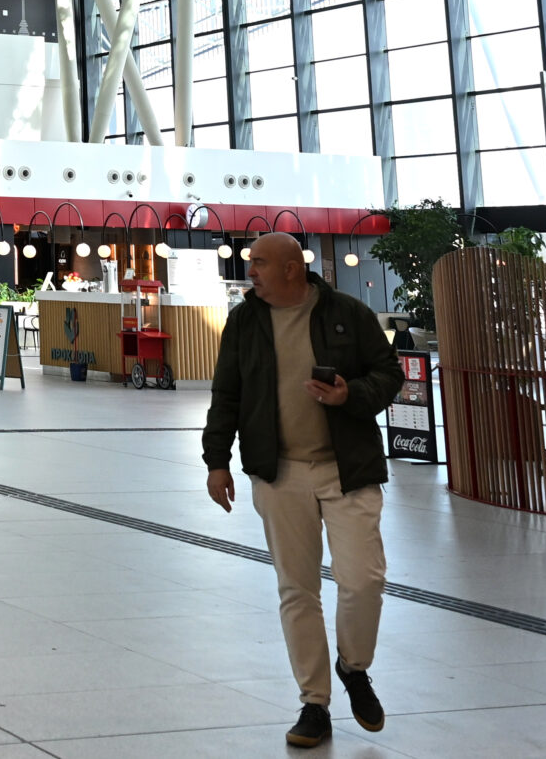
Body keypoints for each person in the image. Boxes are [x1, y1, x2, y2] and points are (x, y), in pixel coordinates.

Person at [202, 233, 397, 749]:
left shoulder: (346, 313)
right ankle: (315, 702)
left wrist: (351, 394)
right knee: (297, 589)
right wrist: (217, 461)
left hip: (347, 469)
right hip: (279, 472)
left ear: (292, 268)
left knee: (364, 579)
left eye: (260, 262)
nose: (251, 271)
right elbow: (227, 392)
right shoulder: (246, 321)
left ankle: (353, 667)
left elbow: (389, 373)